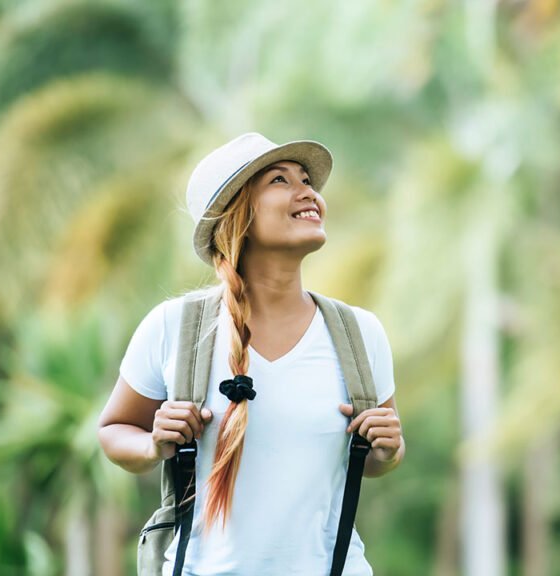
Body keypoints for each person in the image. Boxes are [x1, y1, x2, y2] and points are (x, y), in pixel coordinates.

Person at [97, 132, 405, 575]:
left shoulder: (359, 334)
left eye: (307, 180)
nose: (308, 192)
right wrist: (152, 444)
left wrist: (388, 451)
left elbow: (375, 459)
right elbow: (113, 430)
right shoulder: (174, 328)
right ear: (237, 215)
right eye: (280, 180)